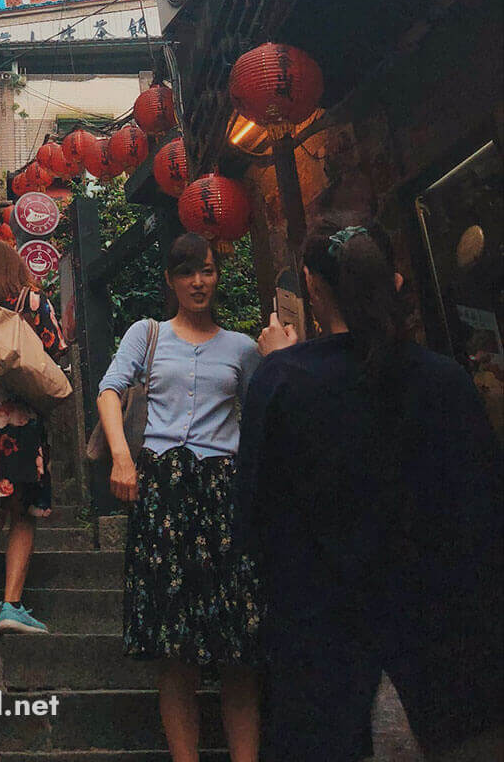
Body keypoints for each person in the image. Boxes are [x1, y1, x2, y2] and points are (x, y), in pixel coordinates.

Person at [238, 218, 504, 762]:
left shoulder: (283, 381)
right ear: (396, 282)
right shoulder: (445, 380)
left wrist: (277, 367)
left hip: (325, 655)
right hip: (449, 650)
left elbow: (254, 521)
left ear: (311, 285)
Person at [96, 233, 261, 762]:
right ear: (170, 279)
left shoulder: (243, 348)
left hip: (224, 493)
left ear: (218, 276)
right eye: (187, 272)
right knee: (174, 645)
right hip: (164, 492)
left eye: (207, 271)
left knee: (238, 645)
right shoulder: (147, 334)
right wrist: (123, 456)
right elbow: (109, 389)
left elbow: (261, 418)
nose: (198, 282)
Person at [0, 242, 68, 635]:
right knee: (22, 516)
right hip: (22, 425)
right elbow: (54, 350)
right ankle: (11, 604)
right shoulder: (32, 301)